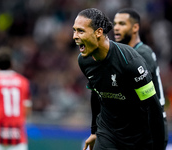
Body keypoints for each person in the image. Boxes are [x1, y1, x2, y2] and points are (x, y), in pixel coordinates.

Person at [72, 8, 165, 150]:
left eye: (81, 31)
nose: (75, 36)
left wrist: (158, 146)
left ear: (98, 32)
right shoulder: (84, 61)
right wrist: (94, 131)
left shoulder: (130, 61)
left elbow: (153, 107)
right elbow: (96, 93)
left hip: (138, 136)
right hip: (108, 133)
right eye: (74, 30)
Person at [113, 8, 168, 149]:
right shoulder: (128, 54)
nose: (116, 28)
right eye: (115, 24)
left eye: (122, 23)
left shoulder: (143, 54)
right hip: (135, 130)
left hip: (149, 131)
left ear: (135, 27)